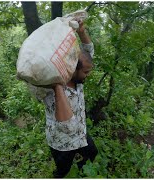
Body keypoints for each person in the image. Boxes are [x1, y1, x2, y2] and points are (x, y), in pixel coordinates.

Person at [42, 20, 98, 178]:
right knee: (62, 171)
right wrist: (58, 86)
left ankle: (81, 171)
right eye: (86, 72)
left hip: (80, 134)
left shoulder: (78, 77)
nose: (88, 75)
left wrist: (81, 31)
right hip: (62, 142)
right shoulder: (52, 90)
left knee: (92, 152)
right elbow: (67, 125)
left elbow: (88, 53)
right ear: (73, 68)